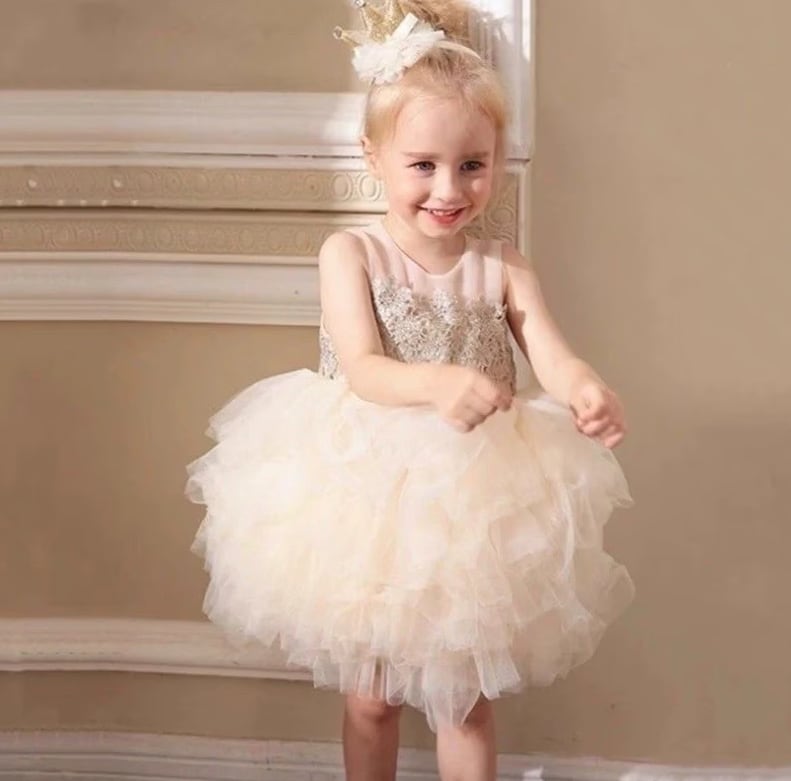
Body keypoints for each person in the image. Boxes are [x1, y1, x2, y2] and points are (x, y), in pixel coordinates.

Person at [186, 1, 635, 779]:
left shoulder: (503, 266)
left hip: (476, 503)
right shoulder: (351, 254)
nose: (448, 188)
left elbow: (551, 354)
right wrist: (436, 382)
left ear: (496, 158)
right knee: (372, 696)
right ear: (374, 155)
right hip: (368, 497)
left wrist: (584, 387)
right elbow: (362, 367)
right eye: (422, 165)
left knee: (463, 699)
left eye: (472, 165)